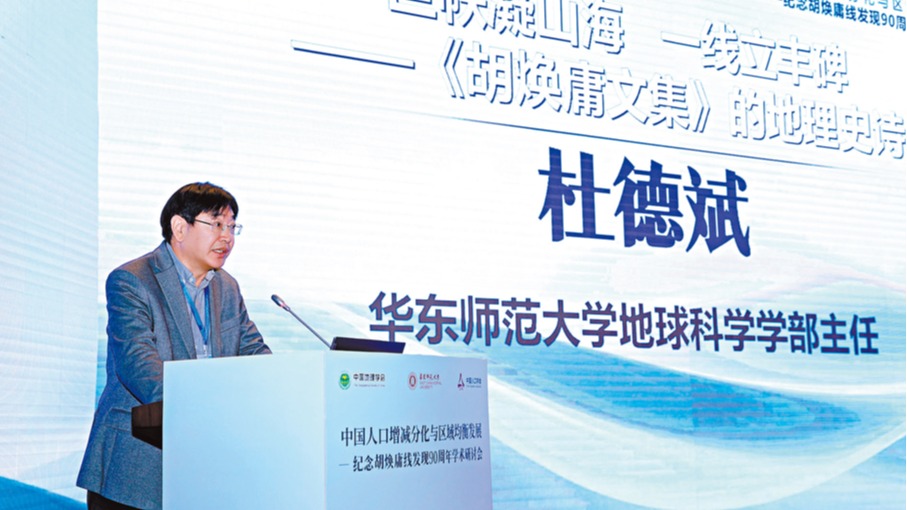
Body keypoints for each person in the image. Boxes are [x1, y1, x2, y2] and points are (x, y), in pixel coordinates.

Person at [77, 182, 271, 510]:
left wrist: (282, 386)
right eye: (217, 224)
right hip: (134, 466)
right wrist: (210, 409)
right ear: (180, 227)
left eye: (232, 227)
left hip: (204, 467)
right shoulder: (132, 280)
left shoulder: (227, 287)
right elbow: (139, 366)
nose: (227, 237)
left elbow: (254, 352)